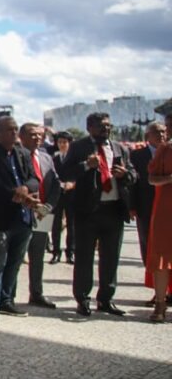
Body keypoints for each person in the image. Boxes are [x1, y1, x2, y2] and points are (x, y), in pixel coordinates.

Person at [59, 112, 137, 317]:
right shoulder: (79, 147)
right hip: (88, 211)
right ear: (90, 128)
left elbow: (133, 174)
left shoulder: (119, 148)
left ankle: (105, 299)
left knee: (111, 257)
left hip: (114, 209)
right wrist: (86, 165)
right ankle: (83, 299)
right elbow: (65, 173)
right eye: (102, 126)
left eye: (109, 126)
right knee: (84, 257)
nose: (107, 129)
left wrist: (125, 174)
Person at [0, 117, 40, 326]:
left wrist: (26, 189)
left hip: (22, 218)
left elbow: (34, 179)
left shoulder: (22, 153)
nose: (14, 133)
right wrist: (18, 193)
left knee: (14, 261)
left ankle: (6, 299)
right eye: (9, 130)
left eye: (15, 129)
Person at [18, 123, 60, 309]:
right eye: (33, 135)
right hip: (21, 212)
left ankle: (36, 293)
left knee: (38, 255)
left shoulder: (46, 158)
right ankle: (6, 296)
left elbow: (55, 185)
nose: (37, 138)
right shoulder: (16, 156)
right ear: (22, 136)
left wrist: (47, 207)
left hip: (43, 213)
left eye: (40, 135)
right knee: (16, 255)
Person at [131, 121, 167, 304]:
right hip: (146, 209)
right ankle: (157, 289)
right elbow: (133, 184)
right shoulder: (137, 155)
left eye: (164, 132)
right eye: (157, 132)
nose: (161, 135)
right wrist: (131, 206)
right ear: (148, 136)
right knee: (149, 248)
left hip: (167, 206)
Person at [145, 116, 172, 322]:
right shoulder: (165, 150)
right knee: (162, 257)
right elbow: (152, 179)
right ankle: (160, 304)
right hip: (166, 210)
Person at [49, 131, 76, 265]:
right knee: (56, 224)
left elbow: (79, 174)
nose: (62, 145)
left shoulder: (75, 158)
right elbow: (51, 176)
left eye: (64, 142)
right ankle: (56, 252)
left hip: (72, 194)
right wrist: (59, 183)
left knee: (71, 224)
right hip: (58, 194)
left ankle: (70, 252)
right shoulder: (54, 158)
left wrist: (73, 183)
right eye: (59, 142)